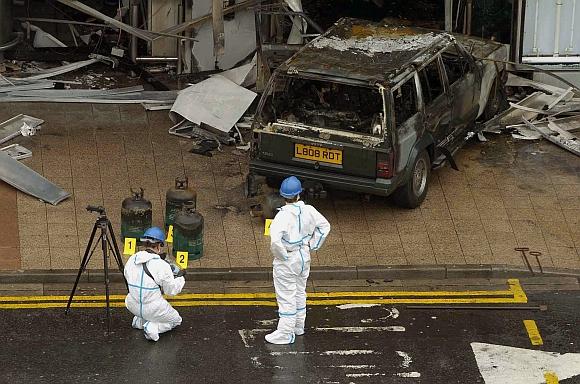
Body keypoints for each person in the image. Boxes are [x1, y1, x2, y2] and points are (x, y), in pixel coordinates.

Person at [265, 176, 331, 344]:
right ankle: (298, 326)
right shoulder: (309, 210)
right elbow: (325, 226)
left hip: (288, 258)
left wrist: (282, 256)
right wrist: (313, 244)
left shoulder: (282, 217)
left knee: (286, 295)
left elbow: (275, 242)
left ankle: (285, 333)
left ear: (283, 196)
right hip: (304, 255)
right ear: (299, 193)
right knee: (300, 291)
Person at [124, 226, 186, 342]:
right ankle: (151, 328)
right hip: (153, 308)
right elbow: (171, 291)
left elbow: (128, 277)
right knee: (176, 320)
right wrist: (181, 279)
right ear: (158, 246)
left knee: (144, 305)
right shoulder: (161, 265)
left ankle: (139, 321)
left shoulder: (132, 259)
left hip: (132, 304)